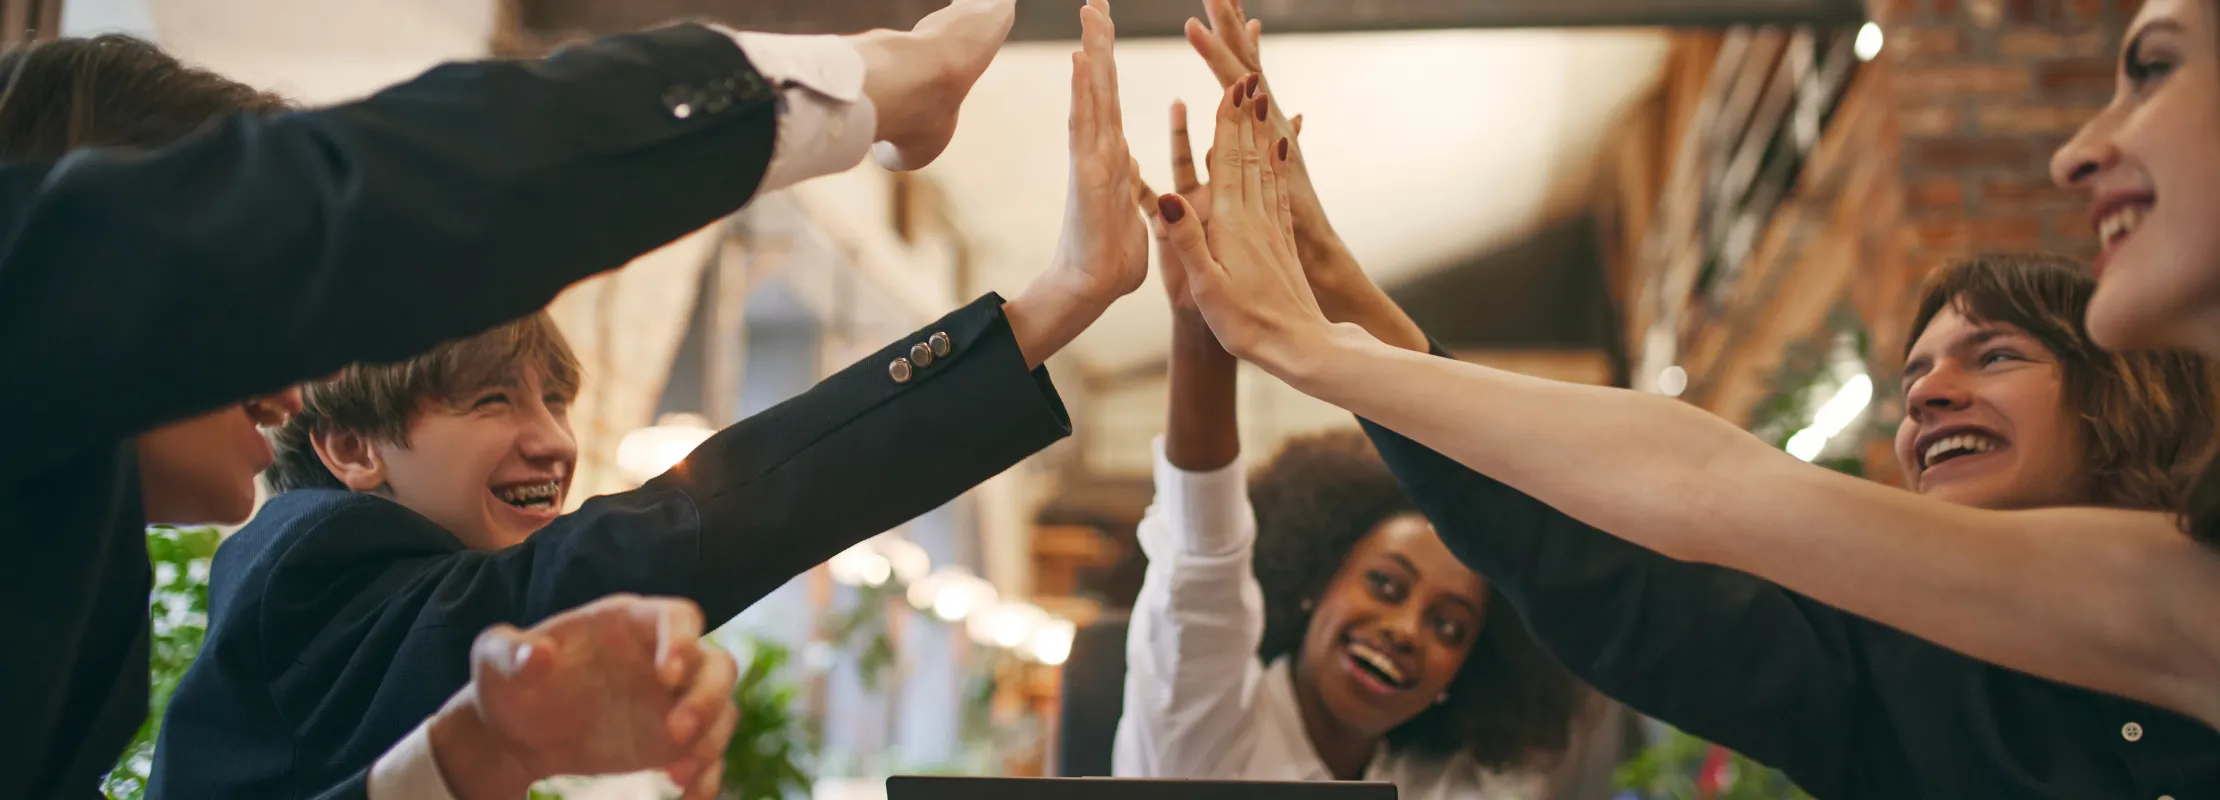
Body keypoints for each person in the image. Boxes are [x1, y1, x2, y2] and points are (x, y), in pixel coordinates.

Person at [0, 2, 1023, 796]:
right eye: (256, 290)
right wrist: (874, 81)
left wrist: (476, 754)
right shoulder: (310, 560)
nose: (285, 378)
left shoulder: (77, 575)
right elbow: (435, 184)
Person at [1152, 0, 2220, 734]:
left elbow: (1710, 485)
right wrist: (1329, 286)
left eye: (1995, 355)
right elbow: (1589, 536)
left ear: (2122, 394)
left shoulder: (2179, 588)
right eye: (1913, 376)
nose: (1932, 391)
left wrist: (1316, 342)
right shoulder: (1883, 668)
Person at [1110, 100, 1588, 798]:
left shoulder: (1458, 782)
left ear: (1468, 671)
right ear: (1313, 583)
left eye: (1449, 627)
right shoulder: (1198, 724)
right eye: (1385, 585)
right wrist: (1199, 327)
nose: (1404, 630)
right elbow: (1200, 567)